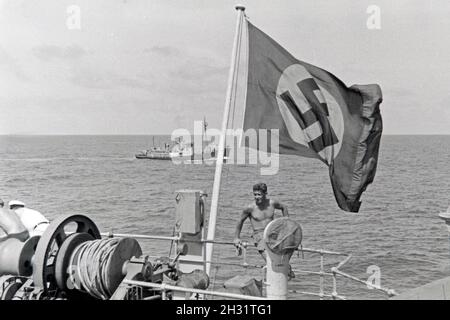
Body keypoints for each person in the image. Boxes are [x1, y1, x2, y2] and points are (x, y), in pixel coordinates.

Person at [233, 183, 289, 257]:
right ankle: (269, 266)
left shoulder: (272, 203)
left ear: (265, 194)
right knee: (269, 259)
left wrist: (287, 223)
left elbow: (283, 207)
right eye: (255, 194)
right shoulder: (250, 208)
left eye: (259, 194)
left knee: (282, 255)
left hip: (272, 232)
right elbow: (240, 221)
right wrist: (236, 237)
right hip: (259, 235)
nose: (256, 197)